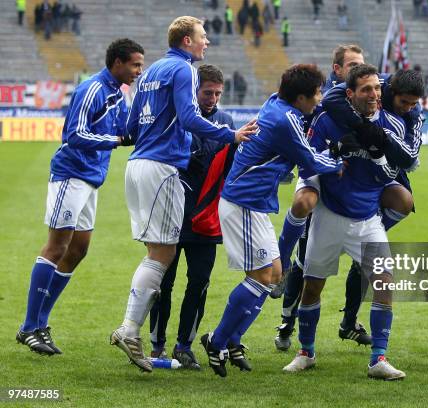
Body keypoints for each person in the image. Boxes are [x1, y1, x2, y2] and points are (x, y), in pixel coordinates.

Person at [110, 16, 256, 373]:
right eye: (203, 37)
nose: (207, 43)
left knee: (159, 252)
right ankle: (130, 329)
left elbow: (130, 128)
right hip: (161, 169)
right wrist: (230, 136)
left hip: (137, 165)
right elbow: (189, 119)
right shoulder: (184, 70)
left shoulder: (149, 73)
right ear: (187, 41)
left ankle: (136, 331)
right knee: (162, 253)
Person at [275, 47, 425, 351]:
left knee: (400, 208)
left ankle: (378, 356)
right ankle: (283, 284)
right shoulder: (327, 111)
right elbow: (308, 157)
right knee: (308, 271)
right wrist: (334, 154)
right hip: (327, 201)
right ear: (346, 86)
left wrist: (375, 151)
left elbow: (395, 169)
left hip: (365, 212)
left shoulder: (391, 122)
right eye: (366, 88)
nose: (373, 94)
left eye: (376, 89)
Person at [200, 64, 344, 377]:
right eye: (316, 94)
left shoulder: (275, 105)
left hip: (253, 203)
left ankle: (232, 339)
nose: (319, 100)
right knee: (262, 278)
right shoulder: (285, 119)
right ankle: (218, 340)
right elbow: (309, 162)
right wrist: (338, 163)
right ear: (302, 97)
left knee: (274, 273)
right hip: (244, 203)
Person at [16, 38, 145, 355]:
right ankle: (29, 327)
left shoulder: (119, 92)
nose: (138, 71)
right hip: (71, 175)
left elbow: (128, 128)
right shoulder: (92, 89)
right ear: (117, 63)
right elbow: (73, 135)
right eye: (135, 65)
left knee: (79, 249)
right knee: (56, 246)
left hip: (91, 179)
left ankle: (39, 323)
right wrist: (115, 140)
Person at [148, 64, 237, 370]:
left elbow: (232, 168)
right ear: (193, 91)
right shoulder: (178, 119)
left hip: (205, 218)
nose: (212, 98)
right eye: (206, 92)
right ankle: (157, 345)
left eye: (217, 93)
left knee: (199, 284)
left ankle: (184, 345)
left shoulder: (226, 122)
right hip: (171, 212)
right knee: (164, 283)